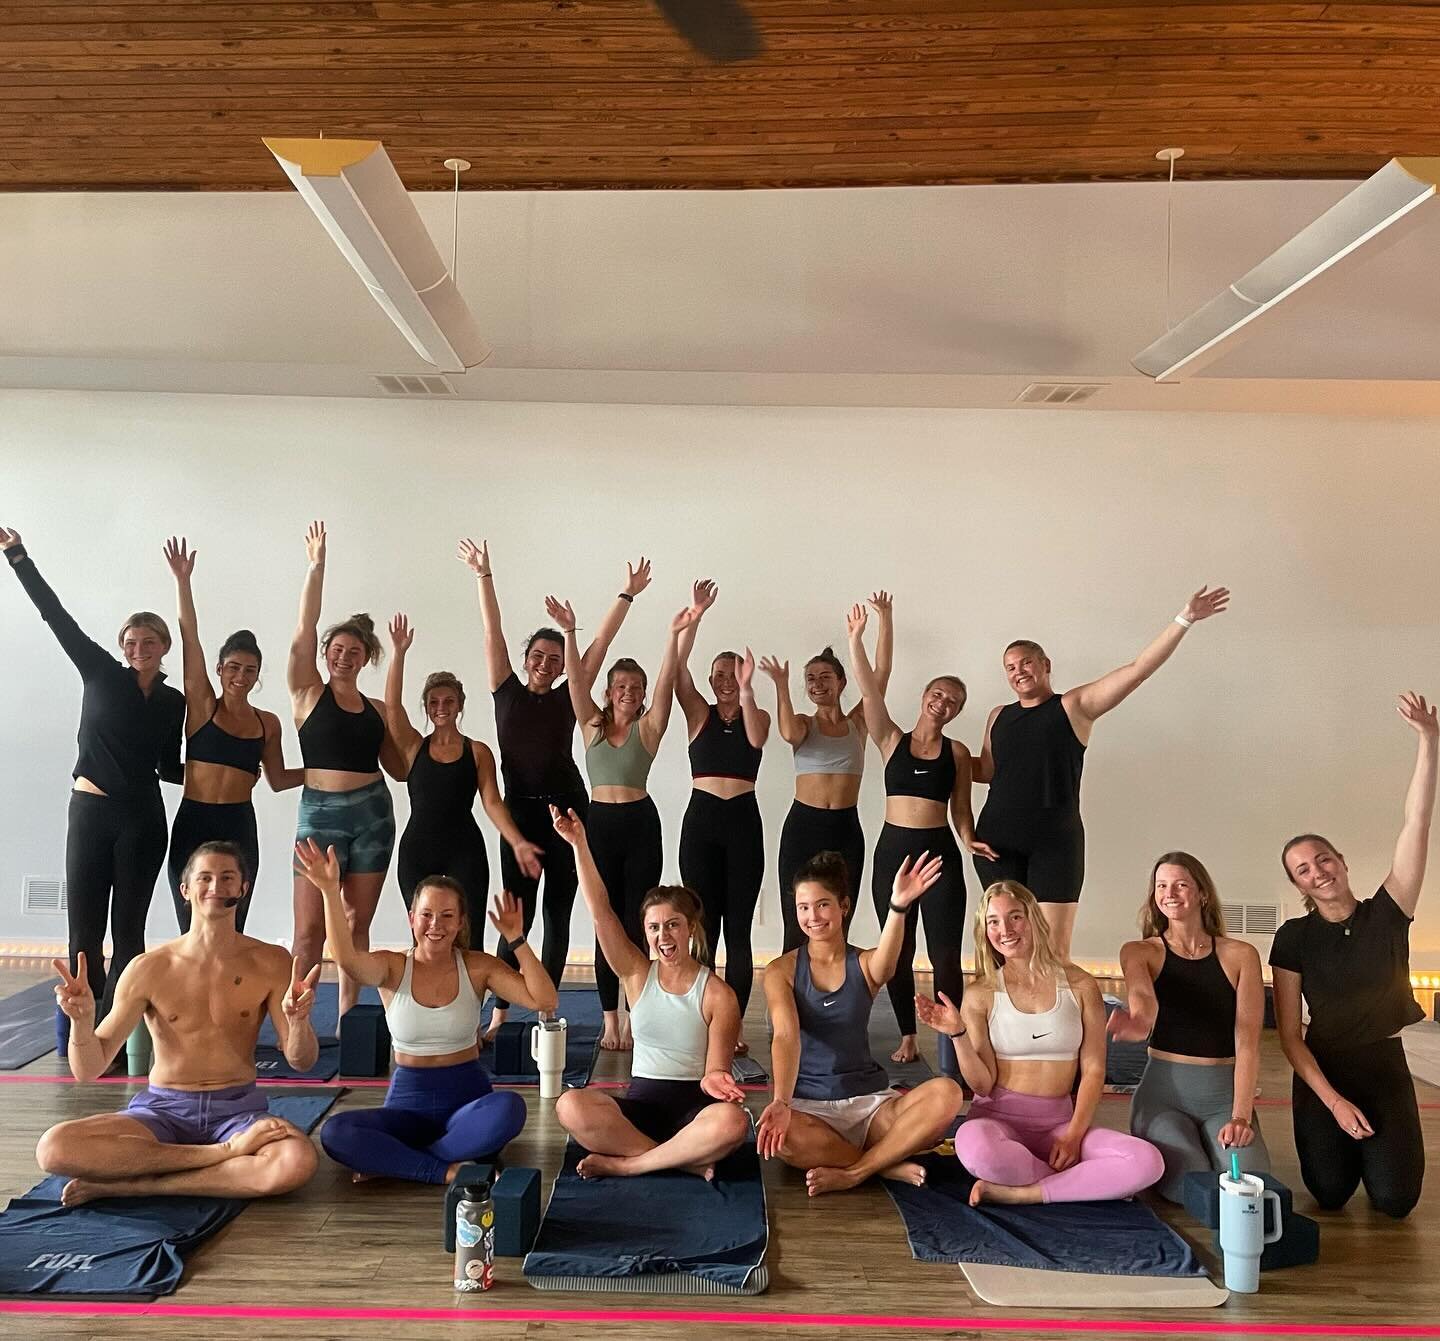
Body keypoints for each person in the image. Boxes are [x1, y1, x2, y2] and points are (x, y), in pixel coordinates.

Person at [37, 841, 320, 1205]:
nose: (216, 887)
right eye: (205, 878)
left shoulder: (272, 962)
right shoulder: (148, 968)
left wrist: (299, 1024)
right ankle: (221, 1156)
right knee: (54, 1148)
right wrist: (81, 1022)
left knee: (296, 1163)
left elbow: (302, 1060)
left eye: (227, 878)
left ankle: (141, 1185)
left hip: (237, 1109)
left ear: (242, 889)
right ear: (186, 891)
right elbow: (88, 1069)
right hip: (162, 1110)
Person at [971, 585, 1230, 958]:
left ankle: (1056, 1015)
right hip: (996, 844)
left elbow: (1137, 671)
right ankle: (1006, 1016)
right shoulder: (998, 716)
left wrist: (1184, 619)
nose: (1019, 671)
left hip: (1054, 843)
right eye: (1010, 667)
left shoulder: (1074, 706)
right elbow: (986, 770)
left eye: (1026, 662)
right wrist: (935, 754)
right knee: (1005, 949)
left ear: (1046, 665)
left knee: (1051, 950)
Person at [458, 538, 647, 1038]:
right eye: (538, 656)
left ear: (566, 666)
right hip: (518, 816)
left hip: (567, 813)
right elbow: (491, 629)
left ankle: (546, 1012)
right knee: (515, 915)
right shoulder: (505, 691)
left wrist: (624, 596)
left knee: (558, 915)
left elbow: (599, 649)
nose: (546, 663)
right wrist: (484, 574)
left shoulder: (572, 699)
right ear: (526, 659)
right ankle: (497, 1015)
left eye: (556, 658)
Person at [2, 525, 184, 1031]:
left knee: (130, 930)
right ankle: (85, 1025)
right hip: (92, 811)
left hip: (144, 818)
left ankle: (120, 1026)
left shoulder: (174, 701)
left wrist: (228, 769)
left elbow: (170, 767)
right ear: (122, 647)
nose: (139, 648)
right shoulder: (100, 671)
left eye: (149, 641)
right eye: (131, 641)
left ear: (164, 645)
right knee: (84, 926)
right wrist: (17, 556)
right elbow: (53, 615)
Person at [295, 838, 556, 1184]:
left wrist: (517, 939)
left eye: (447, 916)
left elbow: (544, 1000)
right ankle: (447, 1169)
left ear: (461, 922)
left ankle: (399, 1162)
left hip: (467, 1101)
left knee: (510, 1108)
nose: (436, 924)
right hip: (407, 1105)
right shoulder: (392, 967)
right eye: (427, 915)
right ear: (411, 918)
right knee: (336, 1132)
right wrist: (330, 891)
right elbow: (347, 959)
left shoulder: (478, 967)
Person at [1270, 691, 1437, 1220]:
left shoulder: (1388, 913)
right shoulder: (1293, 937)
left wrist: (1428, 742)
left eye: (1323, 859)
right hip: (1323, 1069)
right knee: (1331, 1192)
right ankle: (1343, 1139)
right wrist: (1334, 1102)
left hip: (1383, 1064)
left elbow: (1416, 823)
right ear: (1296, 882)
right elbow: (1291, 1037)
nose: (1317, 870)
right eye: (1303, 868)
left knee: (1394, 1201)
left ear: (1340, 861)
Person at [918, 880, 1163, 1206]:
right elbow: (983, 1083)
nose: (1004, 929)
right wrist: (957, 1034)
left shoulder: (1080, 984)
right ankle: (1081, 1184)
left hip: (1060, 1124)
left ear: (1033, 918)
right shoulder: (981, 994)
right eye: (993, 921)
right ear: (984, 930)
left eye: (1014, 917)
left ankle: (1025, 1193)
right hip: (997, 1123)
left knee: (1147, 1160)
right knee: (975, 1149)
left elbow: (1093, 1070)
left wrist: (1074, 1134)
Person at [550, 806, 751, 1179]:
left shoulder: (718, 995)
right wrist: (579, 844)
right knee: (570, 1105)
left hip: (695, 1111)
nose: (663, 936)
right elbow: (601, 914)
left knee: (733, 1122)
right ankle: (684, 1161)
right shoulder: (637, 973)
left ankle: (629, 1165)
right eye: (654, 928)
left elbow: (714, 1072)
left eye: (672, 925)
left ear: (690, 928)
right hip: (641, 1109)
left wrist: (717, 1080)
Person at [757, 849, 964, 1196]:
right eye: (803, 907)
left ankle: (857, 1170)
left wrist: (898, 906)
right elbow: (785, 1037)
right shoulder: (782, 971)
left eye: (822, 904)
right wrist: (780, 1101)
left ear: (844, 906)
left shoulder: (865, 964)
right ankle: (887, 1164)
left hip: (869, 1106)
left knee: (948, 1093)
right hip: (810, 1109)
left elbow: (887, 961)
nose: (813, 916)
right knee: (782, 1138)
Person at [846, 599, 987, 1070]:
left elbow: (962, 810)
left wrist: (968, 839)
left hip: (939, 853)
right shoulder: (890, 738)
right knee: (899, 950)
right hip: (895, 853)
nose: (942, 702)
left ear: (956, 710)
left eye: (953, 701)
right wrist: (863, 636)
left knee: (945, 952)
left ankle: (953, 1035)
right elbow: (869, 692)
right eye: (938, 694)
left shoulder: (959, 752)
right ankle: (908, 1033)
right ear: (925, 694)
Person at [557, 594, 697, 1050]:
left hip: (639, 824)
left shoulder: (648, 728)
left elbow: (664, 683)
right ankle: (610, 1019)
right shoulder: (590, 726)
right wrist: (570, 632)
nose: (630, 693)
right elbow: (576, 679)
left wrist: (676, 635)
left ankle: (640, 1012)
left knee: (640, 922)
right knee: (604, 921)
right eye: (621, 686)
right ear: (609, 691)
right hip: (599, 825)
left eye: (635, 688)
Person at [1109, 852, 1268, 1203]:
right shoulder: (1139, 951)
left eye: (1181, 884)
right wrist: (1138, 1021)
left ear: (1202, 893)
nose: (1170, 893)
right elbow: (1142, 997)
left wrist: (1240, 1116)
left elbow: (1248, 1042)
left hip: (1222, 1098)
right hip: (1164, 1098)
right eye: (1161, 885)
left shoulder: (1241, 955)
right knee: (1193, 1186)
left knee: (1251, 1186)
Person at [162, 537, 303, 933]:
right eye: (234, 668)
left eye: (250, 670)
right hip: (195, 817)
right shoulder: (205, 706)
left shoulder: (267, 723)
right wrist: (183, 582)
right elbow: (190, 636)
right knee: (190, 920)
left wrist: (325, 772)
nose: (241, 676)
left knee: (232, 921)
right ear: (221, 669)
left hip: (239, 821)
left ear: (258, 675)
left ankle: (231, 995)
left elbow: (277, 780)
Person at [288, 521, 400, 1017]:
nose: (344, 656)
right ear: (325, 654)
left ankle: (349, 1018)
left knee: (355, 925)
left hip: (373, 813)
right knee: (309, 931)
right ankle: (299, 1016)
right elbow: (304, 628)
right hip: (320, 814)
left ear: (366, 658)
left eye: (355, 652)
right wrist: (317, 567)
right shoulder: (308, 693)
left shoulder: (376, 708)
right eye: (337, 650)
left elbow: (398, 768)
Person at [383, 612, 543, 946]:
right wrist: (398, 654)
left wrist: (518, 842)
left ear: (459, 706)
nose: (441, 707)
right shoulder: (414, 747)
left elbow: (493, 803)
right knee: (424, 935)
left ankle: (469, 999)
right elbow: (392, 707)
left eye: (448, 701)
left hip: (464, 849)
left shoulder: (478, 752)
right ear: (427, 707)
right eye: (433, 702)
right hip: (418, 849)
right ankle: (426, 998)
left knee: (468, 936)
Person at [761, 591, 893, 953]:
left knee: (839, 920)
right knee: (797, 920)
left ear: (841, 683)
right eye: (810, 679)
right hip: (804, 827)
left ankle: (833, 1000)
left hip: (845, 829)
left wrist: (883, 620)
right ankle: (790, 1001)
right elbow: (787, 732)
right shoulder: (804, 724)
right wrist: (781, 685)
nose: (817, 684)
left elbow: (880, 674)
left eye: (824, 677)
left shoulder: (858, 724)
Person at [673, 579, 770, 1053]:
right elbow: (677, 674)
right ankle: (703, 1021)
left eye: (732, 673)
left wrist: (749, 688)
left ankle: (730, 1029)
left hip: (743, 823)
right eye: (719, 674)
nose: (725, 680)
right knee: (702, 929)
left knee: (739, 929)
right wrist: (695, 618)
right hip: (702, 822)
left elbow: (755, 741)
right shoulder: (698, 714)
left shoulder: (758, 714)